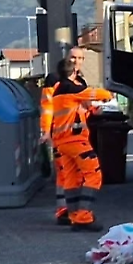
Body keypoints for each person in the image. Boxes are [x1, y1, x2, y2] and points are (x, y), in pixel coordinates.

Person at [39, 54, 114, 232]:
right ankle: (83, 216)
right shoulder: (72, 88)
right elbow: (97, 93)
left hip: (62, 143)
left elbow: (75, 108)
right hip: (75, 141)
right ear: (73, 71)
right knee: (94, 175)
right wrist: (108, 95)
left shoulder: (58, 91)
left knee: (71, 179)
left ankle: (73, 216)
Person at [40, 48, 90, 225]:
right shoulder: (53, 80)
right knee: (64, 172)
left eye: (79, 58)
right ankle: (65, 211)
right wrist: (46, 131)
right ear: (66, 59)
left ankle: (72, 211)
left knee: (77, 174)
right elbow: (47, 107)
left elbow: (86, 108)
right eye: (73, 57)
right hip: (60, 136)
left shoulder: (81, 82)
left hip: (79, 136)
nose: (76, 61)